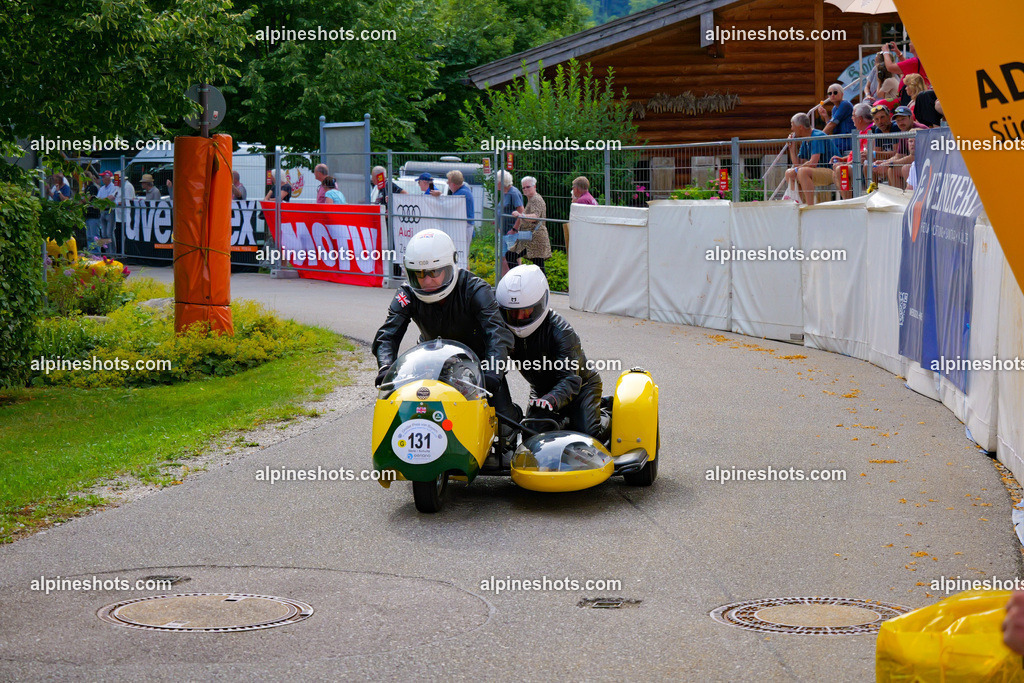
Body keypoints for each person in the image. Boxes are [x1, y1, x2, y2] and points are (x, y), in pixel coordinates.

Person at [371, 229, 517, 433]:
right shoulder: (406, 294)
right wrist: (385, 368)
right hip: (431, 364)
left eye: (434, 272)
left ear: (451, 265)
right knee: (413, 417)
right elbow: (387, 335)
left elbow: (498, 334)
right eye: (419, 274)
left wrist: (493, 372)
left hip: (480, 367)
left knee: (506, 429)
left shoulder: (476, 289)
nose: (427, 281)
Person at [496, 264, 602, 438]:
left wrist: (551, 399)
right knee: (530, 435)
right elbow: (493, 359)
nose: (519, 318)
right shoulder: (504, 329)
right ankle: (564, 422)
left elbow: (570, 379)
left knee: (587, 435)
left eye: (526, 311)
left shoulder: (562, 332)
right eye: (512, 314)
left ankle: (604, 414)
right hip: (542, 391)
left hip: (582, 387)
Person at [783, 112, 837, 205]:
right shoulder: (805, 139)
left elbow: (812, 163)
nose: (792, 129)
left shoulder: (816, 136)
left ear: (800, 127)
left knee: (802, 172)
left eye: (792, 125)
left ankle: (809, 205)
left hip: (832, 171)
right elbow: (798, 165)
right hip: (817, 171)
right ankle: (799, 203)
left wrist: (796, 169)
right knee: (789, 173)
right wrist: (792, 149)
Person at [829, 102, 875, 200]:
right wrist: (843, 159)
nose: (851, 118)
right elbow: (857, 153)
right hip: (856, 165)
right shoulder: (861, 131)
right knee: (836, 169)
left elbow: (863, 156)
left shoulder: (869, 131)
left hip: (863, 167)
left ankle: (848, 202)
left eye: (853, 116)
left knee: (841, 169)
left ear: (860, 119)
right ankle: (847, 200)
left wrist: (847, 163)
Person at [877, 106, 927, 189]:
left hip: (928, 164)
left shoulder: (919, 130)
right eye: (898, 121)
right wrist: (883, 163)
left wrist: (889, 163)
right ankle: (898, 198)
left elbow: (914, 157)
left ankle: (910, 196)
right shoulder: (904, 131)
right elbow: (899, 155)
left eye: (903, 119)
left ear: (911, 118)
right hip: (917, 164)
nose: (900, 123)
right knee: (892, 170)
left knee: (905, 168)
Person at [510, 176, 551, 275]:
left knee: (511, 256)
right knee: (538, 265)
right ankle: (524, 281)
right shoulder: (532, 199)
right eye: (523, 188)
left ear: (535, 186)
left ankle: (519, 279)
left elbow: (535, 217)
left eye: (528, 187)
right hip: (532, 238)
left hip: (535, 238)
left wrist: (521, 215)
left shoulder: (536, 199)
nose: (525, 189)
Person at [497, 170, 525, 271]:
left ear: (501, 183)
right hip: (503, 232)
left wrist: (514, 229)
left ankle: (517, 283)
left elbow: (521, 213)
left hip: (511, 233)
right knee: (503, 259)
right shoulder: (505, 193)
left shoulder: (513, 193)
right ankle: (504, 283)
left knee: (513, 259)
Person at [816, 83, 854, 154]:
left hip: (847, 139)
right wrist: (826, 116)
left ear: (842, 94)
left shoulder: (845, 104)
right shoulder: (834, 108)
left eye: (835, 92)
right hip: (840, 139)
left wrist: (818, 137)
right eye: (830, 93)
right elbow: (832, 129)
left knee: (819, 146)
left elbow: (832, 124)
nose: (832, 95)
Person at [868, 105, 900, 182]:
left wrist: (873, 154)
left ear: (889, 116)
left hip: (896, 162)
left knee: (889, 169)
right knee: (867, 166)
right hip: (885, 161)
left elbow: (897, 153)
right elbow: (878, 153)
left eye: (882, 117)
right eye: (876, 119)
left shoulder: (895, 127)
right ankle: (872, 192)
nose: (880, 122)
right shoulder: (878, 130)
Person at [446, 169, 475, 248]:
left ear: (454, 184)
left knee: (461, 250)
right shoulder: (464, 190)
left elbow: (448, 205)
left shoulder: (461, 193)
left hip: (464, 226)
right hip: (464, 225)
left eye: (449, 181)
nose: (447, 183)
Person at [97, 171, 119, 253]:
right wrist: (104, 200)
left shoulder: (114, 187)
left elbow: (111, 198)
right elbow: (98, 199)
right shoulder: (102, 188)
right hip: (103, 211)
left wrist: (102, 200)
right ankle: (106, 252)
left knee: (110, 233)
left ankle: (112, 253)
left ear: (108, 178)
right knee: (103, 233)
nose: (102, 179)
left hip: (110, 211)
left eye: (103, 177)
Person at [83, 172, 102, 254]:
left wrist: (80, 200)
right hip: (88, 215)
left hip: (93, 214)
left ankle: (96, 253)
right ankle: (90, 252)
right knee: (89, 236)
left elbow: (87, 199)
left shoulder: (92, 188)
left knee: (94, 236)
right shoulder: (87, 188)